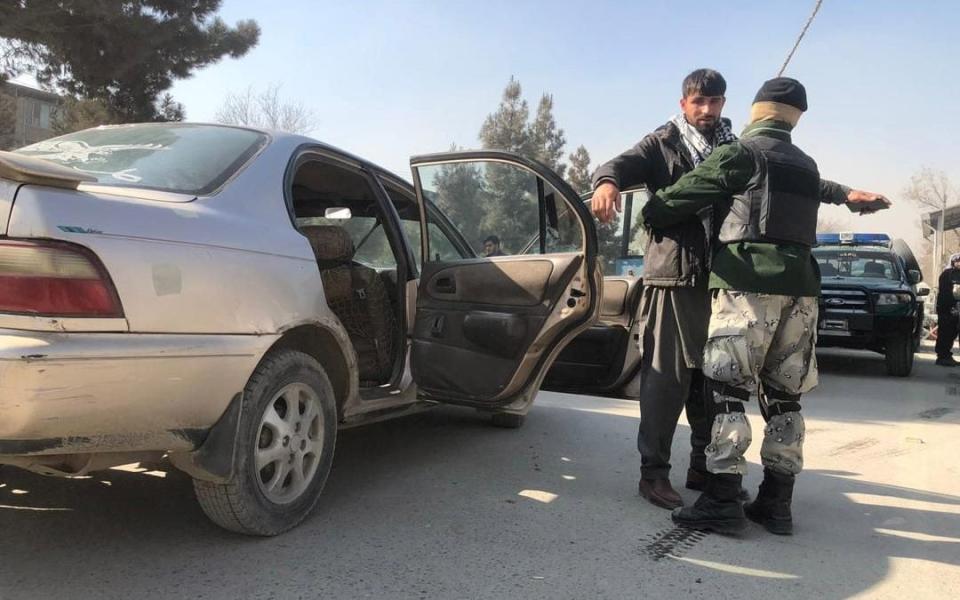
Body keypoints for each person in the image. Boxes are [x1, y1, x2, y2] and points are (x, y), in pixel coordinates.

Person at [591, 69, 886, 511]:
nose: (708, 111)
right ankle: (653, 473)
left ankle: (703, 469)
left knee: (715, 380)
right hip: (676, 278)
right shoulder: (662, 143)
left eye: (715, 102)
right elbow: (616, 166)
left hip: (728, 281)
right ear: (683, 103)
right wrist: (606, 184)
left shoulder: (737, 147)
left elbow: (786, 176)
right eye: (699, 103)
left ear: (727, 104)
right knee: (666, 380)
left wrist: (846, 195)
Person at [934, 253, 960, 366]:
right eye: (957, 261)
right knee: (946, 332)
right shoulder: (948, 274)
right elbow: (945, 293)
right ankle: (943, 356)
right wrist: (951, 306)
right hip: (948, 309)